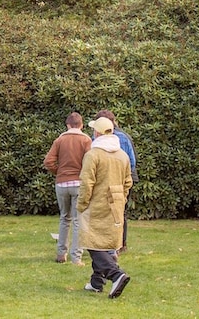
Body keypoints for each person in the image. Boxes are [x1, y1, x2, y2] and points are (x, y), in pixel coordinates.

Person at [77, 115, 132, 298]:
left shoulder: (93, 155)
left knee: (93, 243)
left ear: (97, 132)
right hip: (115, 204)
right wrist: (121, 199)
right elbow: (128, 182)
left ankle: (116, 274)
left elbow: (86, 183)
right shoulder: (122, 155)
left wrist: (82, 204)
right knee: (104, 243)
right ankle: (96, 283)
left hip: (96, 203)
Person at [43, 111, 91, 266]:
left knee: (64, 217)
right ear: (81, 125)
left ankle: (61, 253)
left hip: (62, 183)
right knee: (78, 220)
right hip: (78, 183)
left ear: (68, 125)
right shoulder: (86, 140)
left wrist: (59, 172)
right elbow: (90, 163)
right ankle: (76, 257)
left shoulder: (60, 140)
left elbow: (48, 161)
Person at [95, 109, 138, 253]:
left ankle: (111, 245)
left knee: (108, 212)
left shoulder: (120, 138)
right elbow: (132, 161)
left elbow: (131, 161)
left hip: (114, 179)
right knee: (119, 212)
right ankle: (119, 244)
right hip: (123, 178)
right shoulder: (124, 137)